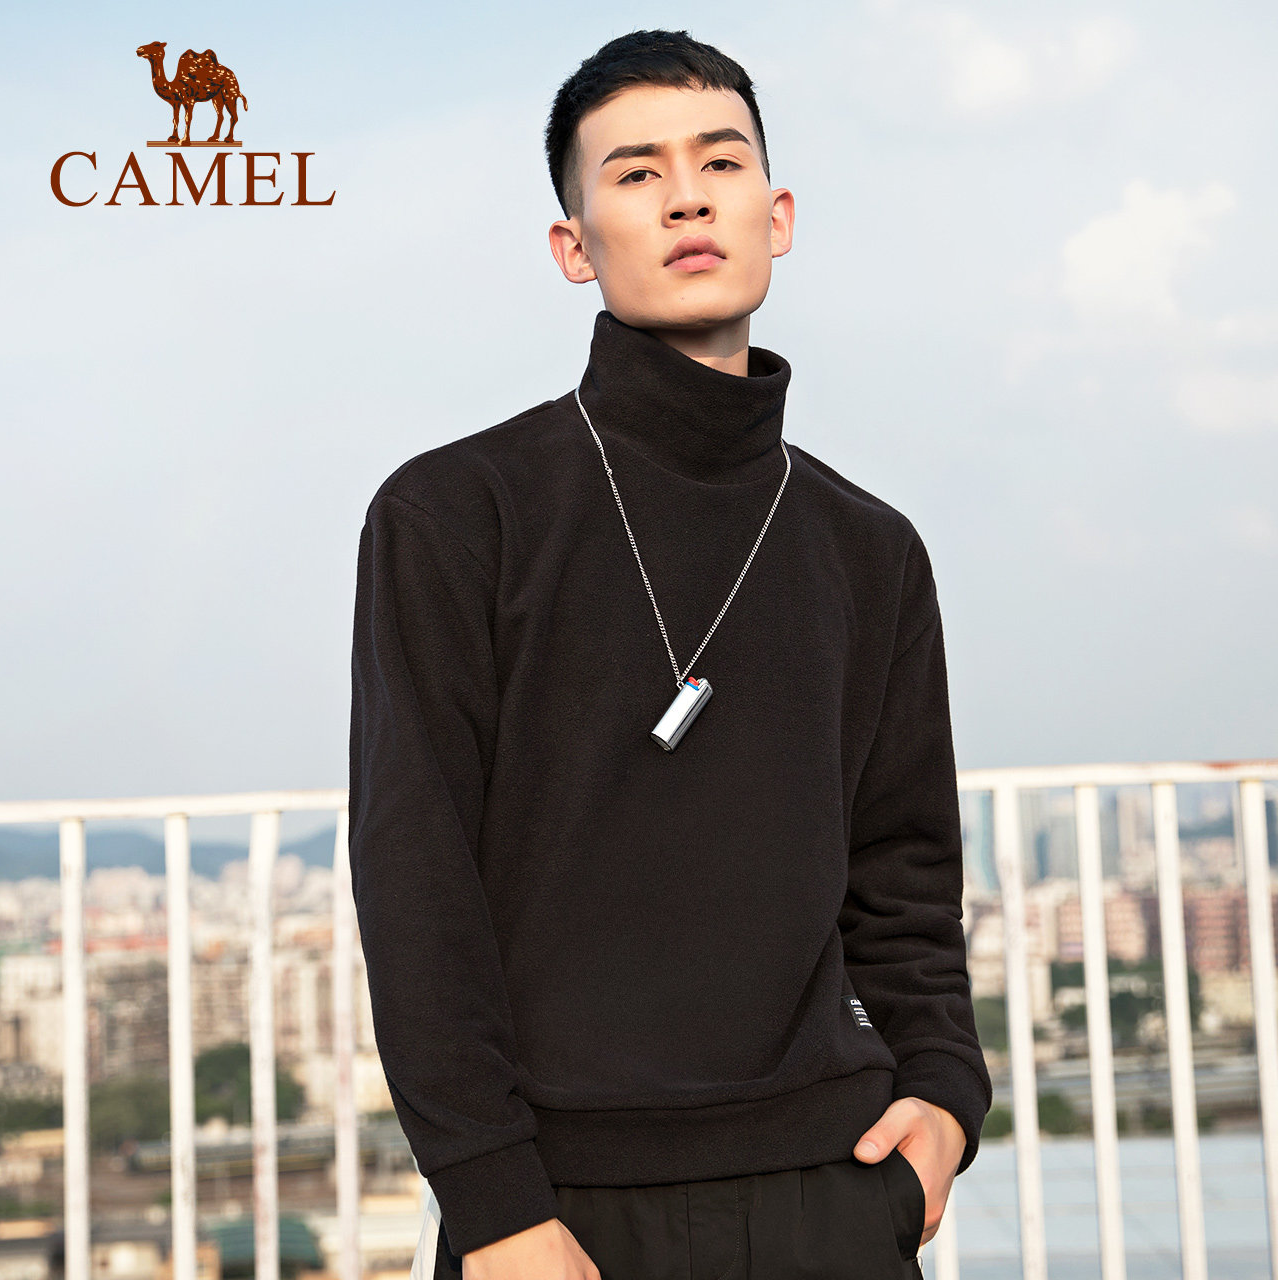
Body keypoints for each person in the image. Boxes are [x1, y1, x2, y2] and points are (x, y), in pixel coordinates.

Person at [348, 27, 992, 1280]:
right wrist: (491, 1199)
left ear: (776, 216)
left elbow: (905, 871)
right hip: (560, 1206)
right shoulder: (455, 513)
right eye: (636, 172)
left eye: (720, 162)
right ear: (572, 246)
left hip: (835, 1182)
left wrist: (944, 1095)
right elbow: (416, 880)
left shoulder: (868, 546)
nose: (687, 196)